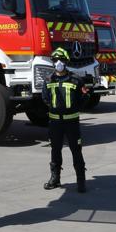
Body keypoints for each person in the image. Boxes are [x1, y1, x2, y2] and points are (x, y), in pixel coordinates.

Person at [41, 47, 88, 193]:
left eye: (61, 60)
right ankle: (55, 178)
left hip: (72, 123)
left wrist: (73, 108)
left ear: (66, 61)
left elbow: (83, 99)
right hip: (55, 123)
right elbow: (45, 98)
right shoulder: (49, 79)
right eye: (55, 60)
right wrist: (55, 109)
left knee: (76, 151)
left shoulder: (76, 79)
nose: (58, 63)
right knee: (55, 150)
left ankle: (81, 180)